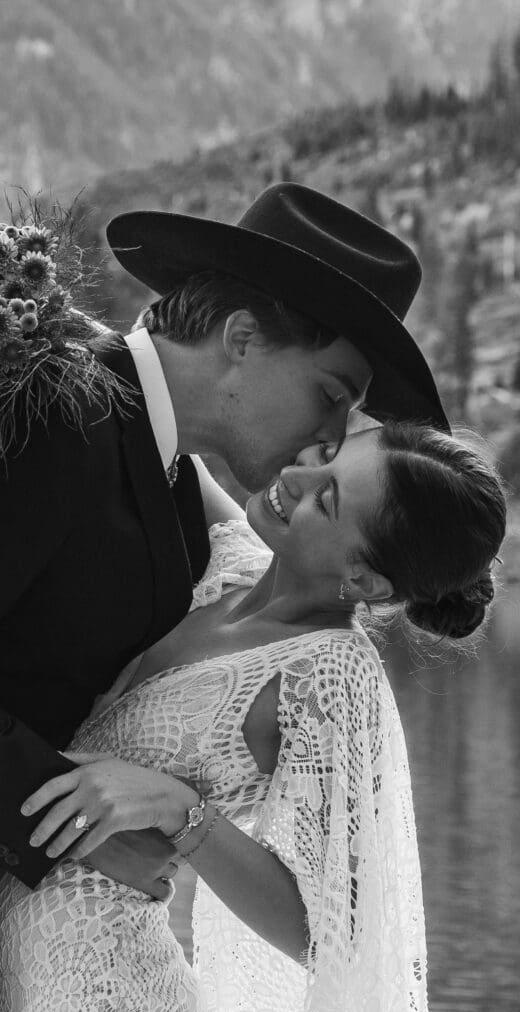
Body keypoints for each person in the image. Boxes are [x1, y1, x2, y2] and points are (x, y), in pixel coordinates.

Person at [0, 183, 449, 894]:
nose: (331, 438)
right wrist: (71, 834)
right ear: (241, 339)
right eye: (331, 395)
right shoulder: (61, 415)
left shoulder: (174, 478)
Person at [0, 420, 507, 1012]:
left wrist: (178, 810)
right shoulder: (235, 556)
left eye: (327, 498)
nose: (295, 478)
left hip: (102, 989)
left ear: (364, 580)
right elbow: (151, 424)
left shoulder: (329, 672)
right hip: (22, 945)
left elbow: (331, 932)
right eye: (326, 452)